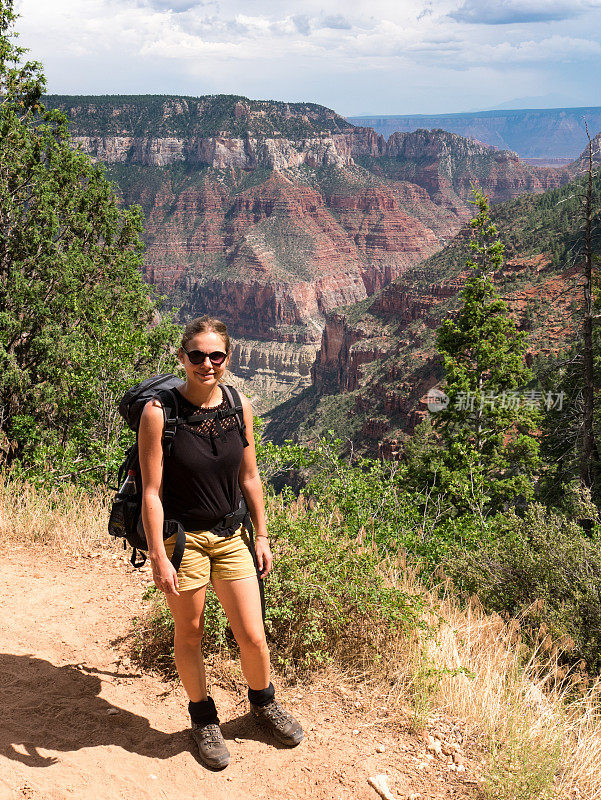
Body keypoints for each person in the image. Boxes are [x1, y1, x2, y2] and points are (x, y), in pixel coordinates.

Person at [138, 315, 303, 770]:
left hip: (232, 536)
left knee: (252, 635)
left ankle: (263, 704)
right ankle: (203, 719)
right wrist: (158, 554)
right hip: (184, 540)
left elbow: (250, 477)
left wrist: (263, 534)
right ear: (182, 358)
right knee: (190, 633)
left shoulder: (237, 405)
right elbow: (152, 491)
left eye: (216, 356)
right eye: (197, 356)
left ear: (228, 359)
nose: (206, 364)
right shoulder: (159, 413)